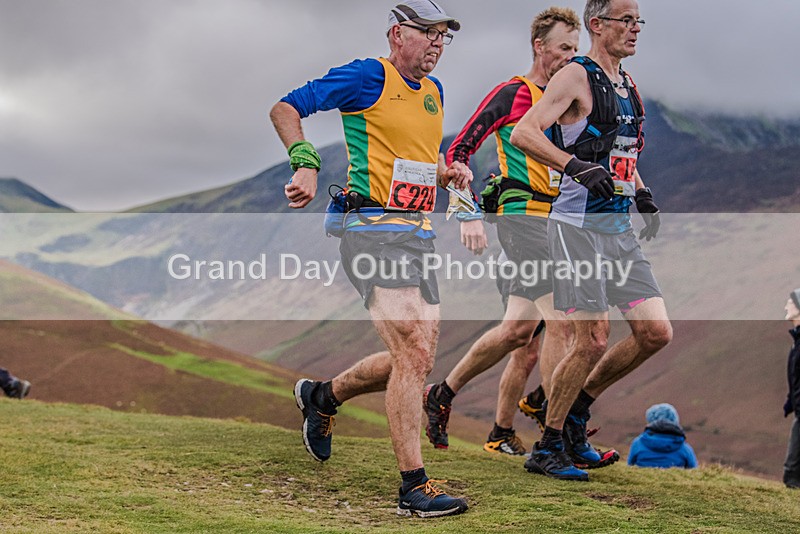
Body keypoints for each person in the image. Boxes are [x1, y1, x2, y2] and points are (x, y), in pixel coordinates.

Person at [270, 1, 471, 518]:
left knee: (417, 357)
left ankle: (323, 397)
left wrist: (449, 174)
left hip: (416, 236)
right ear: (397, 33)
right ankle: (413, 487)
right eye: (427, 33)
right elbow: (286, 108)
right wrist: (306, 162)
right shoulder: (366, 76)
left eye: (443, 37)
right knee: (414, 354)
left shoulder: (434, 92)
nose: (436, 44)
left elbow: (419, 157)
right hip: (368, 232)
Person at [509, 0, 673, 482]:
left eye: (639, 21)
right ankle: (549, 445)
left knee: (655, 333)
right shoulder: (575, 76)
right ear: (597, 25)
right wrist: (573, 166)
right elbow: (525, 132)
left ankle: (575, 415)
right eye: (626, 20)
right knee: (593, 339)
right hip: (576, 229)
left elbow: (618, 148)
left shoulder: (628, 85)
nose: (635, 29)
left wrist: (642, 194)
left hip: (618, 231)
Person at [422, 7, 581, 457]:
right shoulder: (513, 93)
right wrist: (468, 211)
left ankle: (442, 395)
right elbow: (458, 150)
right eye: (563, 48)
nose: (571, 57)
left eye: (576, 49)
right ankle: (559, 439)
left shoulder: (567, 98)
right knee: (564, 326)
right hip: (522, 218)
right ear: (539, 46)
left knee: (517, 333)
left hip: (558, 223)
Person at [628, 403, 697, 469]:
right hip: (674, 480)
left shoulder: (637, 444)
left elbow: (629, 466)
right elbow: (694, 471)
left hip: (642, 480)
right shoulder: (684, 448)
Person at [782, 288, 800, 489]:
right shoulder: (796, 342)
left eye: (791, 302)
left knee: (792, 470)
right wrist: (791, 401)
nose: (786, 305)